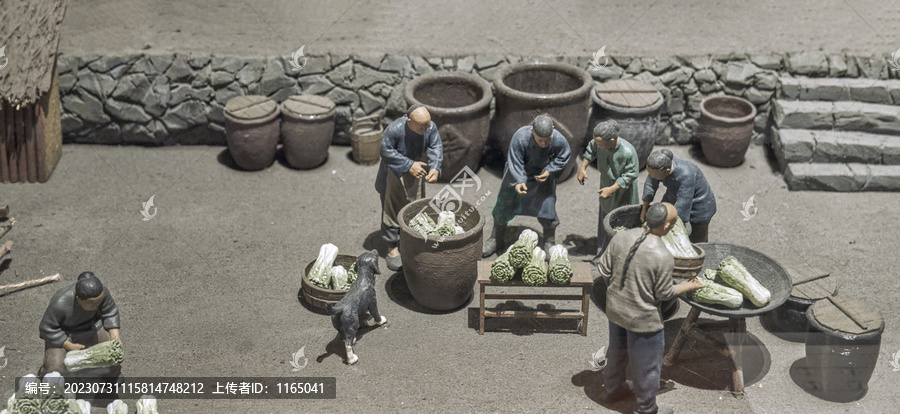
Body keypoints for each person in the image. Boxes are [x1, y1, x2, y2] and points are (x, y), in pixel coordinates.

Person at [596, 203, 703, 414]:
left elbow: (604, 270)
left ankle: (611, 390)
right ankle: (646, 408)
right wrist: (688, 285)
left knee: (616, 352)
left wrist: (622, 293)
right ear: (666, 226)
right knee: (647, 366)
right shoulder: (662, 255)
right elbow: (664, 294)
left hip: (615, 311)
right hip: (643, 320)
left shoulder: (620, 237)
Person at [483, 115, 571, 257]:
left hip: (542, 177)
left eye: (547, 139)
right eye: (540, 140)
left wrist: (550, 170)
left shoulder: (559, 140)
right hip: (516, 174)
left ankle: (549, 241)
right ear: (532, 132)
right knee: (503, 206)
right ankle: (495, 238)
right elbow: (515, 160)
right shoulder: (520, 137)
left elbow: (563, 157)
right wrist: (519, 180)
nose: (544, 143)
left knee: (547, 209)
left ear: (553, 131)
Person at [375, 105, 443, 271]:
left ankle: (412, 241)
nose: (426, 129)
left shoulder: (429, 127)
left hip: (416, 171)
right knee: (391, 211)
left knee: (417, 208)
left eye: (427, 124)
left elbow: (436, 146)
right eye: (421, 126)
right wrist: (408, 164)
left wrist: (435, 167)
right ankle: (392, 249)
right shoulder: (394, 129)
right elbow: (385, 151)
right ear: (409, 121)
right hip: (394, 172)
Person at [576, 120, 640, 265]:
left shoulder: (627, 152)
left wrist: (612, 189)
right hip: (606, 185)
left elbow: (631, 174)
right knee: (605, 217)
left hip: (622, 191)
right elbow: (591, 149)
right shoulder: (600, 143)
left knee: (621, 221)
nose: (598, 146)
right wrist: (583, 168)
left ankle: (621, 254)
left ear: (611, 141)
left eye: (600, 144)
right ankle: (602, 250)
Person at [39, 272, 122, 377]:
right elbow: (47, 328)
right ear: (78, 298)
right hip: (63, 335)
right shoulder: (60, 302)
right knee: (55, 368)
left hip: (92, 327)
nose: (97, 306)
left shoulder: (102, 292)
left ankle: (111, 377)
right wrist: (68, 345)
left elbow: (110, 311)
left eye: (99, 302)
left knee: (112, 353)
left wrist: (115, 337)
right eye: (92, 303)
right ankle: (46, 377)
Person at [641, 149, 716, 243]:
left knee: (697, 240)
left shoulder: (686, 174)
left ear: (666, 171)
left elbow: (683, 202)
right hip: (673, 197)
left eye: (652, 174)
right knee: (662, 223)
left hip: (700, 206)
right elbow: (650, 184)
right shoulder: (657, 168)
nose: (651, 176)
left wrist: (670, 225)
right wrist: (644, 209)